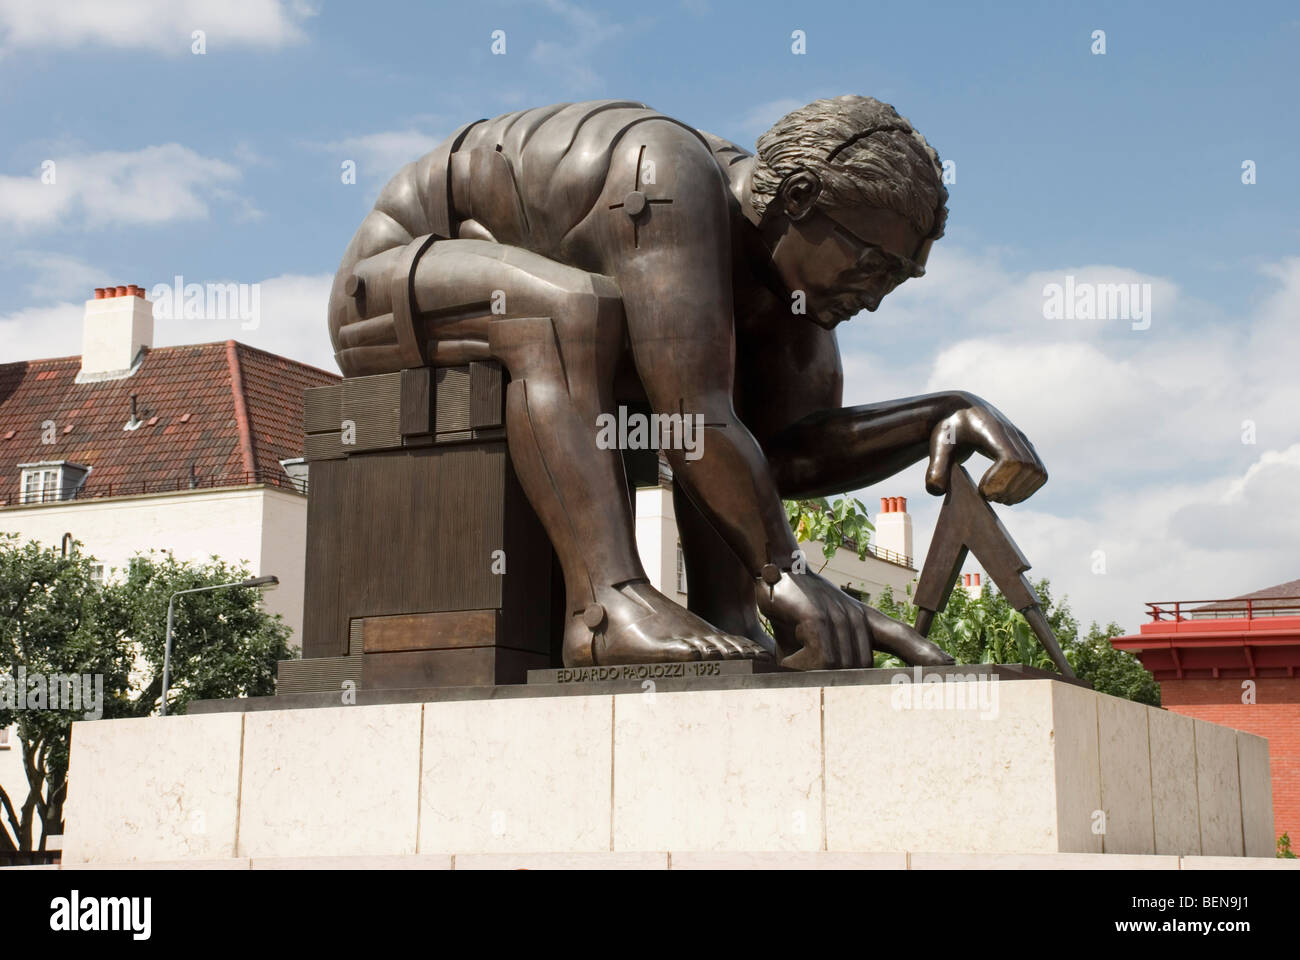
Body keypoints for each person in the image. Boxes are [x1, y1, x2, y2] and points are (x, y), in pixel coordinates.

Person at [328, 97, 1046, 669]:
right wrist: (785, 573)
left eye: (897, 278)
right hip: (391, 287)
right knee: (573, 312)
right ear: (798, 197)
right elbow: (692, 419)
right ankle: (604, 611)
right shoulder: (664, 178)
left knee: (676, 369)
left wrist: (938, 415)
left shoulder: (790, 282)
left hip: (503, 303)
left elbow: (783, 455)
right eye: (869, 265)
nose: (876, 296)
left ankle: (724, 616)